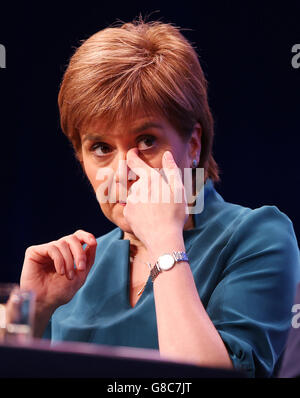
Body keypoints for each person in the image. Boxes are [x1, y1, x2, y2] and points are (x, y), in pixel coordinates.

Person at [20, 17, 300, 378]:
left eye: (147, 141)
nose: (124, 171)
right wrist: (32, 311)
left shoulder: (258, 235)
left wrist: (165, 241)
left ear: (194, 145)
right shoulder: (73, 268)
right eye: (101, 147)